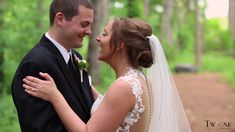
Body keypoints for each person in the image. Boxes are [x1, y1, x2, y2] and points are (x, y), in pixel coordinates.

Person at [22, 18, 192, 132]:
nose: (98, 38)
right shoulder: (140, 79)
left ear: (120, 44)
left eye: (105, 34)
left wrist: (54, 95)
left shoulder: (124, 86)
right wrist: (81, 81)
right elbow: (112, 109)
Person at [11, 0, 94, 131]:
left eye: (90, 25)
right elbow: (41, 127)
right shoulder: (35, 64)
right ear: (60, 19)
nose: (89, 31)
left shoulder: (77, 58)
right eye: (84, 24)